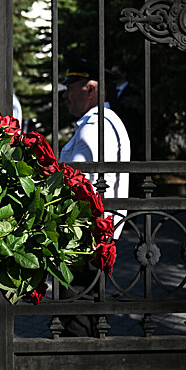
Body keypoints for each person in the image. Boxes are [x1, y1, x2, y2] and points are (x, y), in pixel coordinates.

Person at [58, 56, 131, 337]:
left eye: (71, 86)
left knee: (76, 319)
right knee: (86, 314)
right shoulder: (106, 122)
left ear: (90, 89)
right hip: (98, 236)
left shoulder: (94, 128)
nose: (66, 94)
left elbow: (79, 188)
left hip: (85, 237)